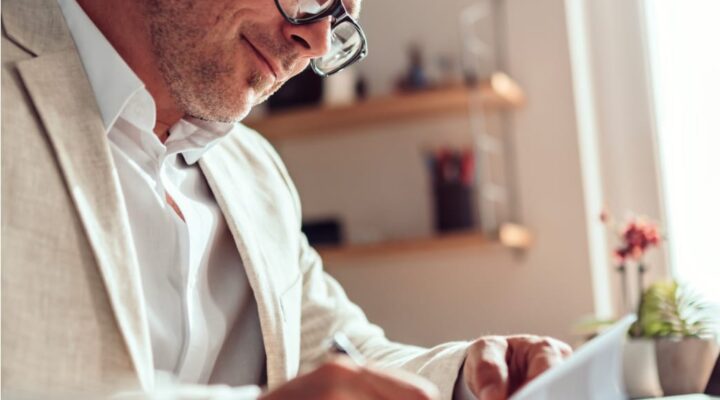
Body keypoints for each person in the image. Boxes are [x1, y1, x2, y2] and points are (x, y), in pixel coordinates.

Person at [0, 0, 572, 399]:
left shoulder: (255, 171)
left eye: (339, 18)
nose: (316, 40)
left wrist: (470, 377)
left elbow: (341, 352)